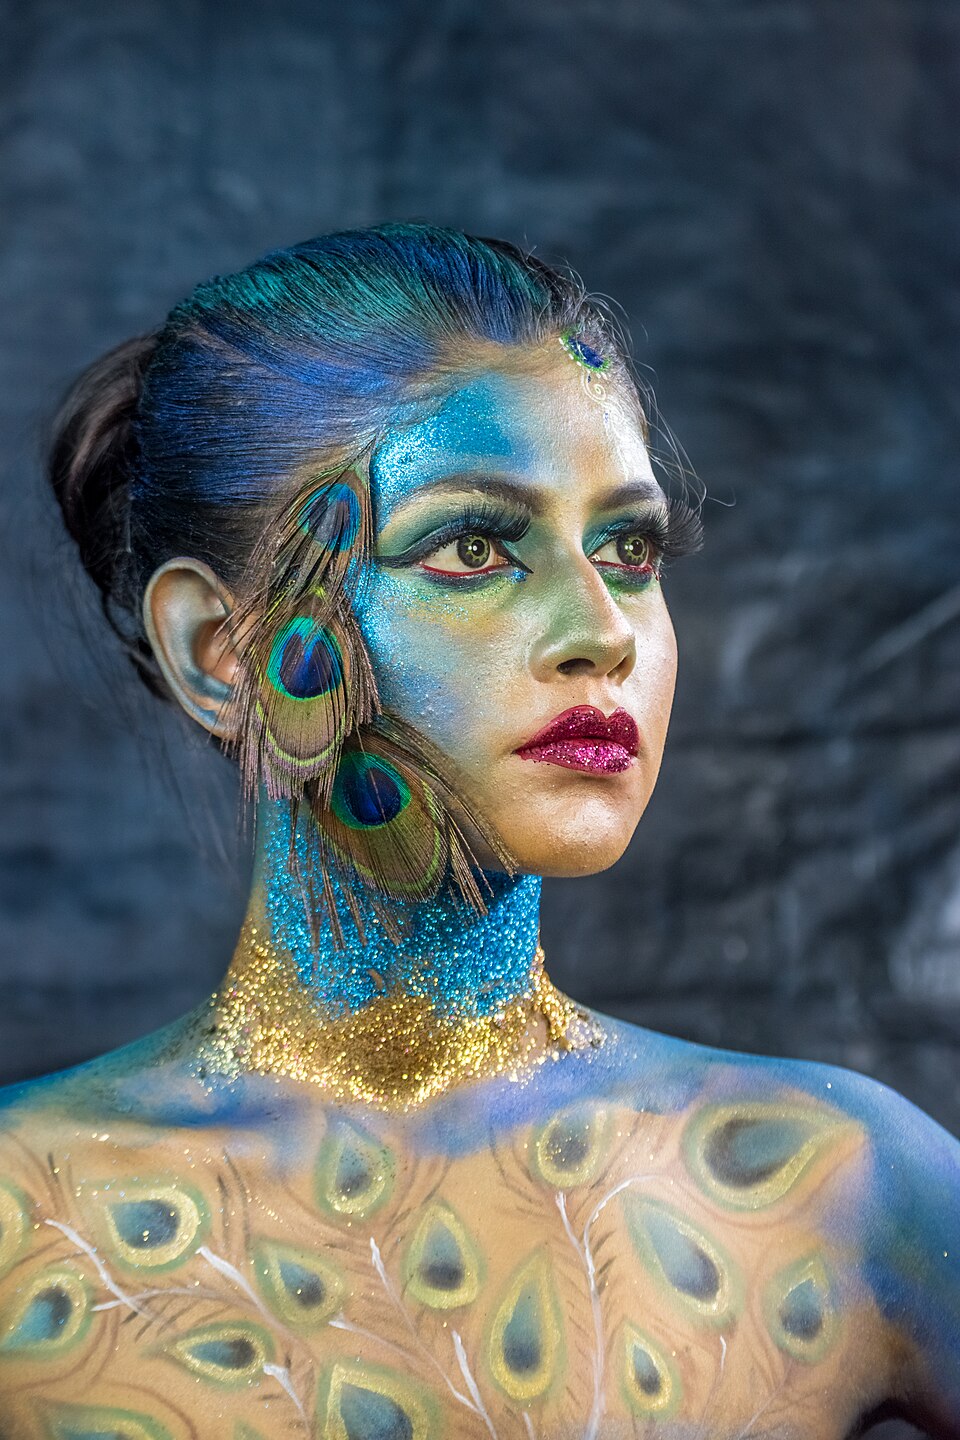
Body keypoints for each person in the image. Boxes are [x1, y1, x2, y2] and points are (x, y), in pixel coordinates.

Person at [0, 225, 955, 1440]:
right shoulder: (24, 1222)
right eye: (474, 546)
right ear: (222, 652)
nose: (602, 626)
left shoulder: (841, 1189)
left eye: (628, 547)